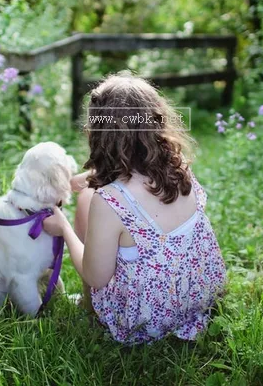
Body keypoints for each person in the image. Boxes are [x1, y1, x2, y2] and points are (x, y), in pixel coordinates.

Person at [42, 74, 226, 344]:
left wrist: (65, 229)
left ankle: (89, 306)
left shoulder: (109, 201)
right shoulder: (180, 167)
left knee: (86, 200)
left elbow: (97, 277)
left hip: (146, 319)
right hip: (198, 296)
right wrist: (95, 176)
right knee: (91, 195)